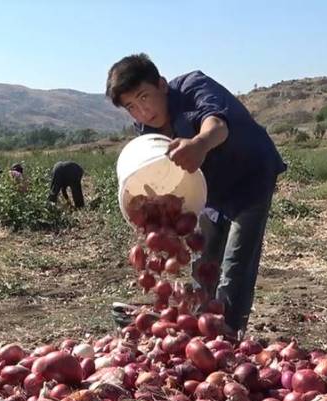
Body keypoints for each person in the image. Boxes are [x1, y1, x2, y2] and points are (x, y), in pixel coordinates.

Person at [106, 53, 285, 336]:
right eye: (131, 107)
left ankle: (228, 335)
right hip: (208, 189)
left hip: (250, 176)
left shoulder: (193, 87)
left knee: (237, 261)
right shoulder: (146, 130)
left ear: (162, 84)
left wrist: (200, 143)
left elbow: (218, 126)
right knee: (204, 259)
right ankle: (203, 326)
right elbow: (157, 170)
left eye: (144, 97)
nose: (142, 111)